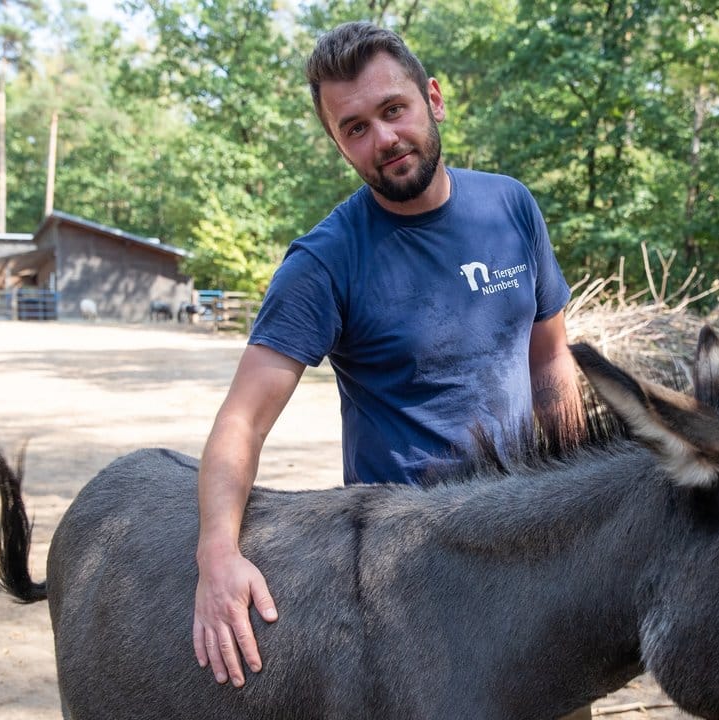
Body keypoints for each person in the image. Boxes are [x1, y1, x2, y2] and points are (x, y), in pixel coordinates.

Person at [190, 19, 587, 709]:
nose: (383, 140)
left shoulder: (510, 207)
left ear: (432, 98)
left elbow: (550, 356)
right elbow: (242, 420)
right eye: (355, 128)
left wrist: (579, 494)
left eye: (393, 110)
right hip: (412, 574)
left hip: (534, 547)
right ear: (338, 143)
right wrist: (217, 555)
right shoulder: (325, 261)